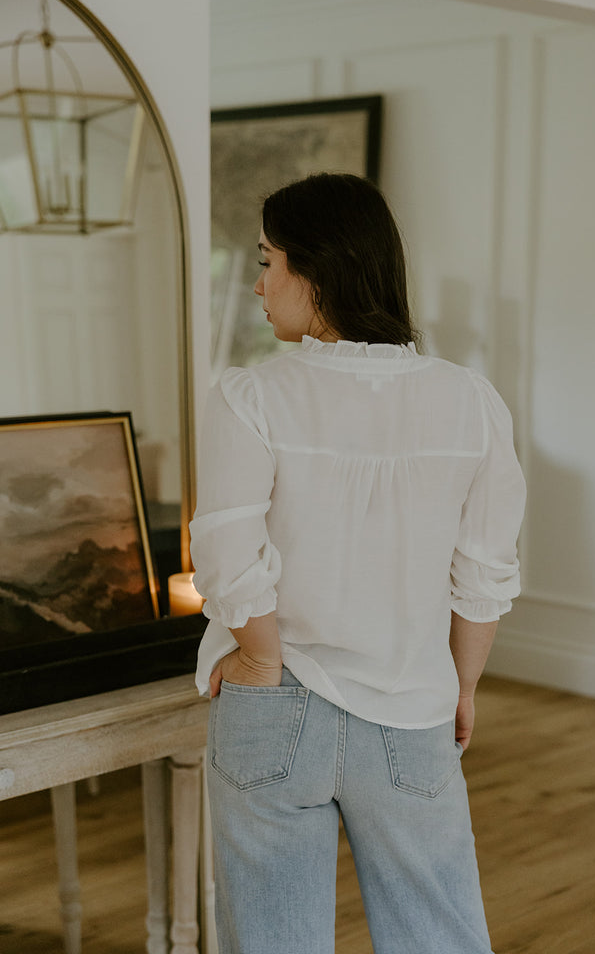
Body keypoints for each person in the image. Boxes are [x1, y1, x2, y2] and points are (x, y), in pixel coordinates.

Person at [190, 172, 526, 954]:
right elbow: (483, 573)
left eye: (269, 261)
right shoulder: (470, 401)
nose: (257, 283)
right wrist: (462, 686)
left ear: (317, 272)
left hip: (275, 701)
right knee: (437, 935)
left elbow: (228, 554)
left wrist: (260, 655)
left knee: (274, 940)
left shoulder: (250, 396)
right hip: (414, 709)